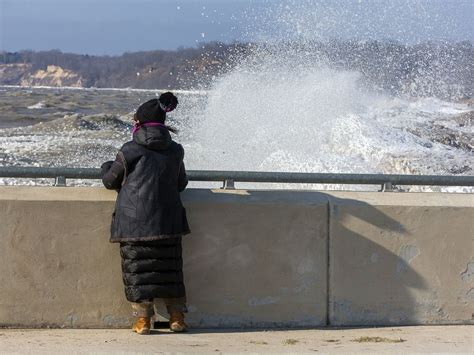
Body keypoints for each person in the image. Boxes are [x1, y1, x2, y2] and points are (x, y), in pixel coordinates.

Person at [101, 92, 190, 335]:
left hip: (134, 222)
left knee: (137, 271)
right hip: (168, 221)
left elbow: (111, 181)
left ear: (138, 123)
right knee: (170, 271)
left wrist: (106, 166)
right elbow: (181, 183)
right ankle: (177, 318)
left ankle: (143, 321)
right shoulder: (175, 150)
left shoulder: (130, 150)